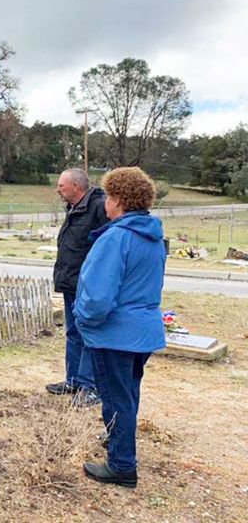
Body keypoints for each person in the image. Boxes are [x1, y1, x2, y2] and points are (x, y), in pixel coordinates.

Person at [73, 167, 166, 488]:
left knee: (114, 398)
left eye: (109, 196)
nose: (105, 203)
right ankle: (118, 442)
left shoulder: (116, 237)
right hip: (142, 333)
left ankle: (122, 465)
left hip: (114, 334)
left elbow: (98, 296)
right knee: (128, 393)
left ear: (121, 200)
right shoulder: (152, 235)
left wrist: (82, 318)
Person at [45, 168, 109, 407]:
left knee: (88, 334)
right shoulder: (74, 208)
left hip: (89, 286)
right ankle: (73, 380)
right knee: (73, 333)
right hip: (72, 283)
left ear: (76, 186)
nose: (58, 189)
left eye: (61, 185)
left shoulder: (99, 207)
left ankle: (90, 386)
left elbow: (105, 247)